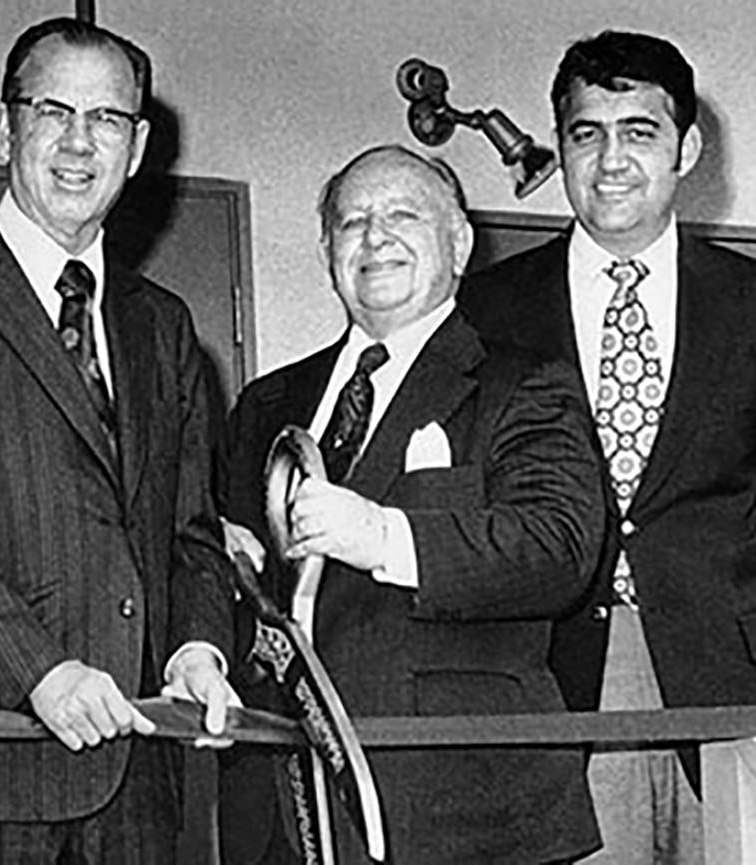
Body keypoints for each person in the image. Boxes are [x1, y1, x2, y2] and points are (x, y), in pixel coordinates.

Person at [0, 16, 237, 864]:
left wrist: (198, 648)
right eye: (53, 111)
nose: (78, 142)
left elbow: (191, 532)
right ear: (5, 126)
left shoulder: (164, 326)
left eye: (107, 120)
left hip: (135, 784)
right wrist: (40, 673)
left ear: (137, 150)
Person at [459, 30, 756, 863]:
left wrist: (718, 593)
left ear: (687, 149)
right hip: (557, 671)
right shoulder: (490, 309)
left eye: (640, 131)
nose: (611, 158)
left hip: (725, 672)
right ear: (560, 148)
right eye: (587, 133)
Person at [217, 145, 605, 864]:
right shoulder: (265, 402)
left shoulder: (526, 383)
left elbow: (559, 549)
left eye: (403, 214)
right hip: (280, 806)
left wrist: (384, 536)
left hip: (462, 810)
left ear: (459, 242)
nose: (375, 236)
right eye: (351, 220)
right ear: (327, 247)